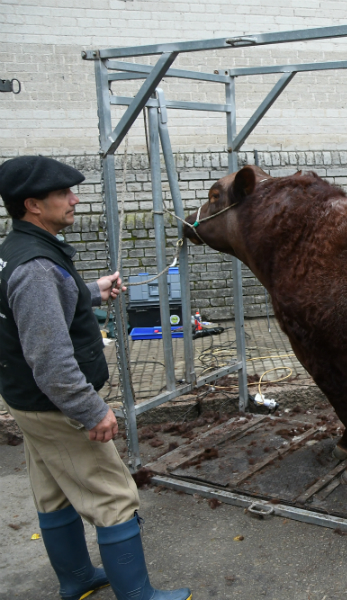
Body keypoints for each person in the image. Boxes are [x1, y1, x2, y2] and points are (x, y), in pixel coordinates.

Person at [0, 156, 192, 600]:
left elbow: (34, 306)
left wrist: (91, 291)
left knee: (54, 491)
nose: (74, 199)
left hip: (25, 398)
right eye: (63, 193)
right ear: (32, 205)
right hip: (55, 406)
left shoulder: (16, 251)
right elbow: (50, 360)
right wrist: (91, 410)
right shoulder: (35, 268)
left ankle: (78, 579)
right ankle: (138, 596)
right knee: (114, 496)